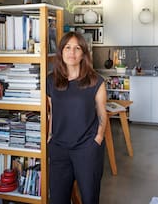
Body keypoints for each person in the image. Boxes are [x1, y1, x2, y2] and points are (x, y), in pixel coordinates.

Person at [47, 31, 107, 204]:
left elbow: (102, 114)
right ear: (61, 52)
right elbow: (52, 111)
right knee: (58, 199)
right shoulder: (51, 81)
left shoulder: (96, 81)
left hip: (87, 149)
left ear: (83, 54)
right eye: (67, 47)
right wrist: (50, 138)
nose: (71, 52)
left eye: (77, 48)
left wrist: (98, 139)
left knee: (89, 198)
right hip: (59, 149)